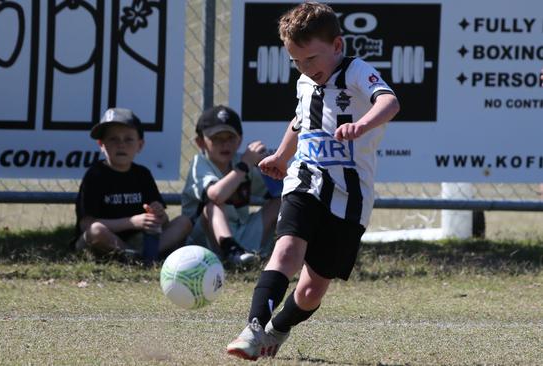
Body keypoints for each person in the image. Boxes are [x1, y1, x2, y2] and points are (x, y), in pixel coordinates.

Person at [226, 2, 400, 360]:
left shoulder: (355, 71)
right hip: (306, 179)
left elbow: (390, 102)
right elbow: (300, 120)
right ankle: (253, 327)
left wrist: (362, 125)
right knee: (286, 251)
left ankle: (279, 327)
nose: (305, 69)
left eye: (311, 59)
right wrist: (281, 156)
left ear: (337, 46)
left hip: (350, 196)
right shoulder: (305, 80)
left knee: (311, 290)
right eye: (296, 62)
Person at [73, 108, 191, 261]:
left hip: (137, 240)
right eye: (113, 139)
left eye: (128, 139)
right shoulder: (95, 175)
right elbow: (86, 224)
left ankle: (139, 257)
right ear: (101, 144)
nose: (121, 145)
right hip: (104, 241)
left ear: (140, 145)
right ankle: (137, 256)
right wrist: (133, 222)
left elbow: (162, 221)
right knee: (96, 230)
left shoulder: (142, 174)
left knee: (184, 222)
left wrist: (158, 215)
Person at [181, 105, 281, 266]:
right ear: (200, 142)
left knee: (283, 202)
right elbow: (216, 195)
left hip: (241, 231)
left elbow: (277, 193)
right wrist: (245, 165)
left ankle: (277, 253)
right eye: (217, 139)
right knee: (212, 206)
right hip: (206, 240)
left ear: (240, 140)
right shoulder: (199, 163)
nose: (225, 144)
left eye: (230, 138)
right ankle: (232, 253)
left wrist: (272, 169)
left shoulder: (240, 162)